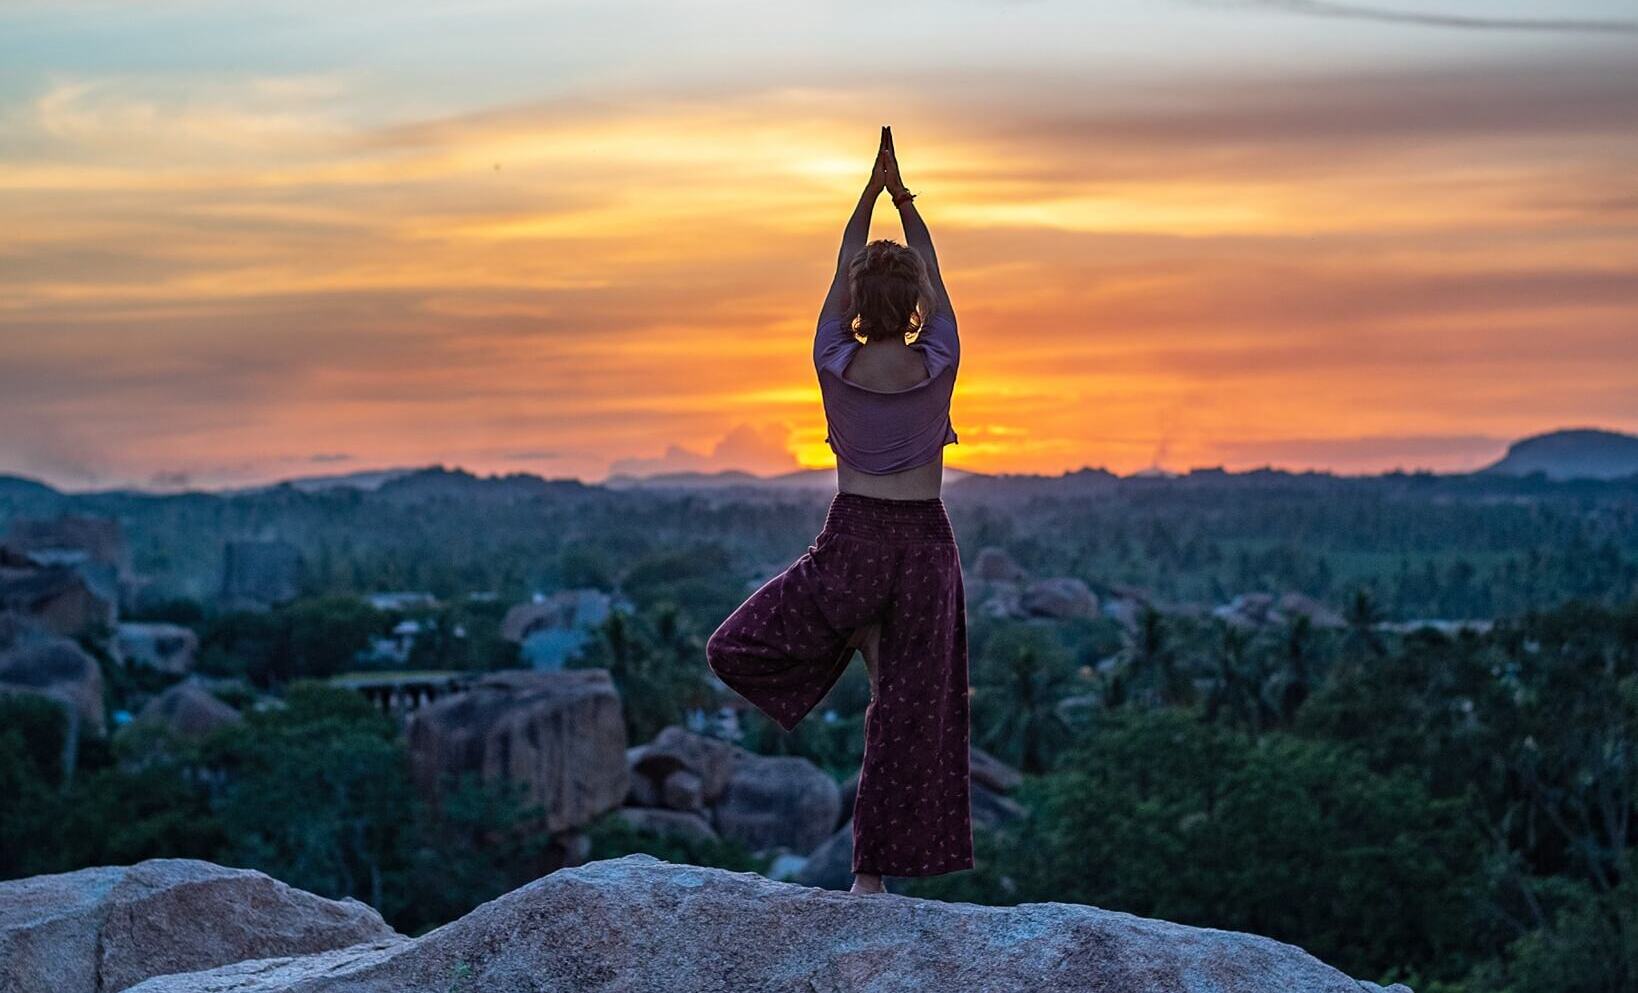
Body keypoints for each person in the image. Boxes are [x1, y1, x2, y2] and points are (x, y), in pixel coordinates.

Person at [705, 126, 971, 895]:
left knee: (735, 645)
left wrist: (869, 194)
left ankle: (848, 631)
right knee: (905, 712)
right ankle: (872, 880)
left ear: (856, 300)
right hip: (924, 547)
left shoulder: (834, 358)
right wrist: (906, 202)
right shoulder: (939, 358)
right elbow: (938, 271)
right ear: (917, 302)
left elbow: (843, 255)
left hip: (853, 540)